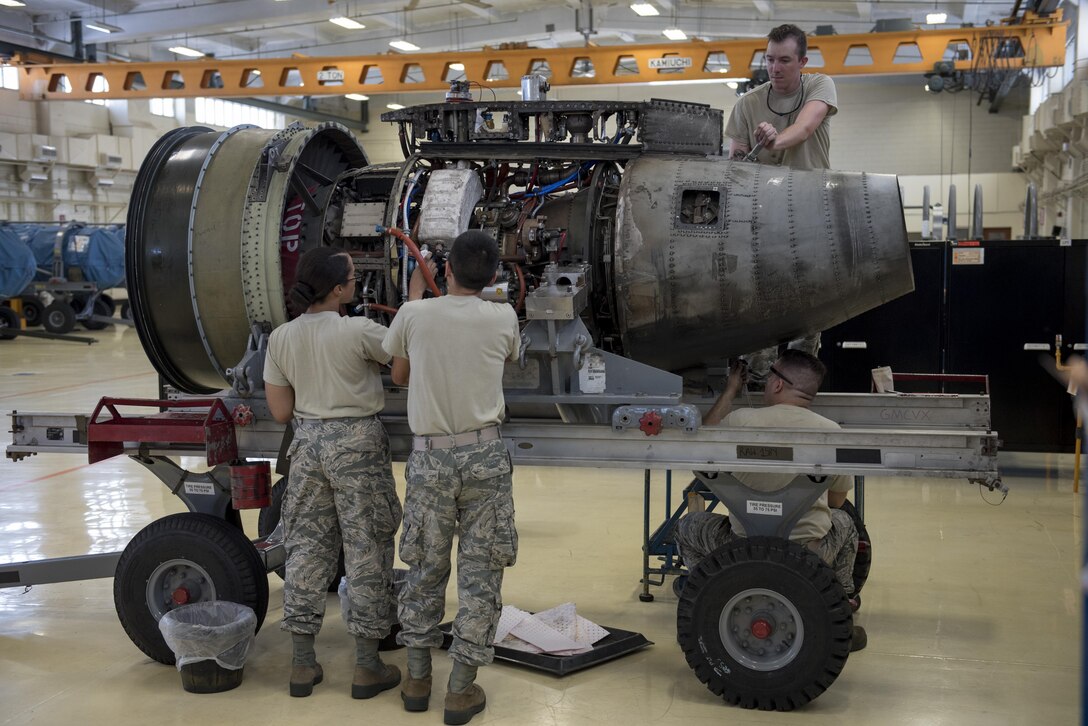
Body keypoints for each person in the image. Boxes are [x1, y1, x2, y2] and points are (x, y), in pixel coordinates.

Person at [382, 230, 521, 726]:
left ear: (446, 270)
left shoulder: (414, 315)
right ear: (494, 276)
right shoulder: (503, 316)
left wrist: (417, 301)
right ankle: (461, 690)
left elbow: (399, 376)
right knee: (481, 573)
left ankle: (417, 679)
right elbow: (508, 359)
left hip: (431, 459)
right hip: (484, 455)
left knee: (424, 567)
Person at [263, 246, 403, 699]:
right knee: (366, 549)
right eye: (352, 276)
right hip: (357, 445)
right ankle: (366, 667)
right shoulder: (358, 330)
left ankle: (303, 665)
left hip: (307, 447)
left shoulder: (281, 338)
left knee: (305, 548)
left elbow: (281, 411)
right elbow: (402, 367)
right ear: (340, 289)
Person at [675, 350, 866, 651]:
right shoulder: (832, 433)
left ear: (777, 384)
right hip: (808, 554)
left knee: (688, 527)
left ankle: (707, 598)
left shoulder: (740, 420)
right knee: (846, 523)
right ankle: (839, 613)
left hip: (740, 549)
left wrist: (731, 390)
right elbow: (837, 501)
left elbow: (700, 447)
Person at [727, 23, 839, 383]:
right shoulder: (747, 104)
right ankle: (756, 389)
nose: (775, 68)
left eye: (785, 60)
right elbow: (736, 166)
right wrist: (747, 153)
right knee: (759, 307)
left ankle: (797, 391)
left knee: (807, 314)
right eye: (770, 59)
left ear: (802, 61)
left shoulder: (820, 86)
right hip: (762, 222)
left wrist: (774, 141)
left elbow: (806, 127)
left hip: (810, 214)